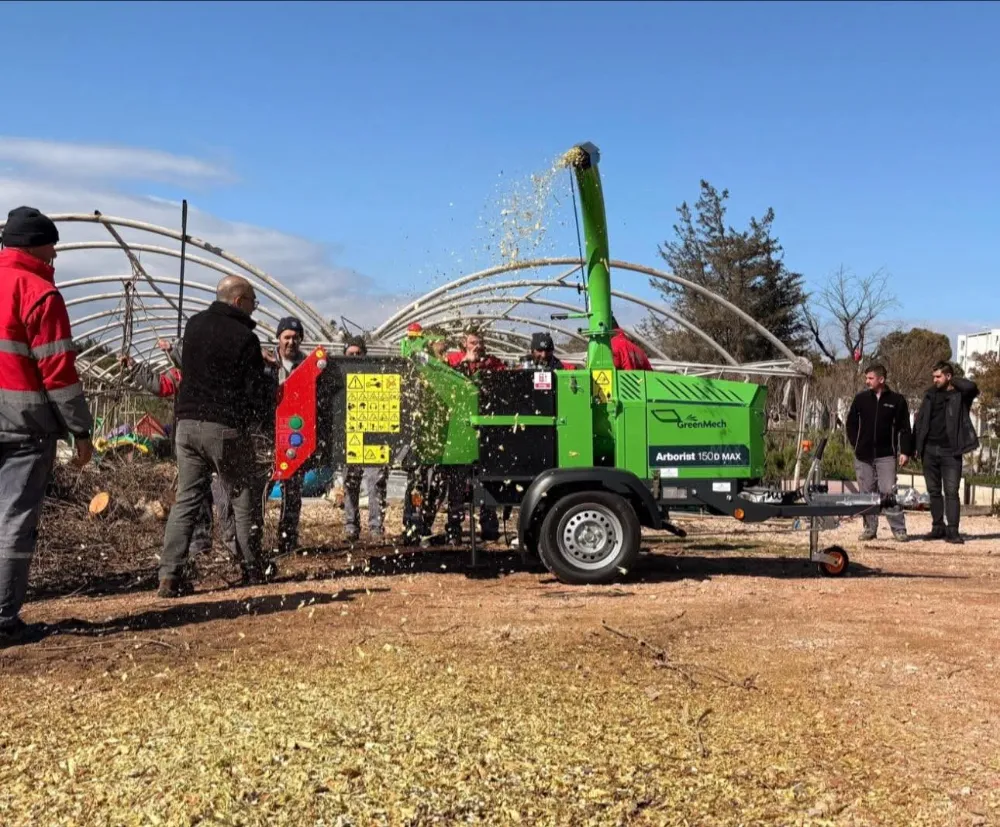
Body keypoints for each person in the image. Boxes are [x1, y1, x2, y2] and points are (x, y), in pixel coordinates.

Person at [1, 206, 94, 644]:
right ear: (35, 246)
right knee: (13, 522)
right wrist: (81, 431)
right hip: (24, 429)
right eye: (51, 246)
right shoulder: (39, 293)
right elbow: (59, 374)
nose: (55, 254)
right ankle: (4, 619)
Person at [158, 275, 272, 597]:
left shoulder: (194, 325)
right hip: (223, 427)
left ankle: (169, 575)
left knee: (186, 499)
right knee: (242, 495)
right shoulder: (245, 337)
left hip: (186, 426)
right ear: (238, 301)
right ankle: (252, 566)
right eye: (252, 302)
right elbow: (252, 389)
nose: (254, 309)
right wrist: (266, 396)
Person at [120, 339, 230, 558]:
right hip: (192, 439)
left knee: (223, 487)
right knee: (197, 490)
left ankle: (231, 540)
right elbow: (160, 385)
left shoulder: (217, 370)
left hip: (217, 435)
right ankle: (202, 541)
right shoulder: (181, 375)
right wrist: (134, 367)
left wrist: (172, 350)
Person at [445, 331, 503, 543]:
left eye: (480, 342)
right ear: (464, 344)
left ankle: (489, 526)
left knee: (487, 478)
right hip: (460, 431)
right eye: (473, 342)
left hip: (486, 430)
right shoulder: (454, 360)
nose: (477, 346)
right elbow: (446, 382)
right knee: (457, 482)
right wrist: (463, 364)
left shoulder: (492, 363)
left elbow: (502, 382)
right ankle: (454, 528)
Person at [913, 361, 980, 544]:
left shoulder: (960, 395)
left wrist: (952, 380)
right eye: (933, 376)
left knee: (951, 491)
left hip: (951, 451)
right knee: (933, 491)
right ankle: (937, 527)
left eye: (938, 376)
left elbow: (972, 387)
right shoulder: (929, 394)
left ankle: (953, 531)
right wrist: (916, 447)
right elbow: (920, 421)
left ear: (948, 376)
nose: (934, 380)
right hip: (929, 450)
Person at [845, 363, 913, 542]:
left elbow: (905, 428)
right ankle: (870, 528)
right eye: (866, 378)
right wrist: (856, 444)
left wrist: (905, 451)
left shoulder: (897, 400)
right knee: (866, 494)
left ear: (881, 379)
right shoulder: (860, 399)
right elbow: (850, 424)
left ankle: (899, 529)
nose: (867, 381)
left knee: (888, 492)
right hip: (863, 456)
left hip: (886, 455)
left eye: (870, 378)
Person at [263, 317, 307, 554]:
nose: (291, 342)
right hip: (270, 433)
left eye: (295, 337)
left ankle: (288, 539)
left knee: (293, 490)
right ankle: (255, 537)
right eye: (286, 337)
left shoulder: (306, 364)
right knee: (264, 485)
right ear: (278, 338)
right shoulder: (266, 362)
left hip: (296, 435)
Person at [341, 336, 388, 543]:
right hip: (349, 436)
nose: (354, 357)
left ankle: (376, 527)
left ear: (365, 355)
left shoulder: (376, 373)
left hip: (373, 436)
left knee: (376, 481)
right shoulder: (339, 376)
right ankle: (351, 526)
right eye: (350, 354)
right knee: (350, 482)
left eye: (358, 353)